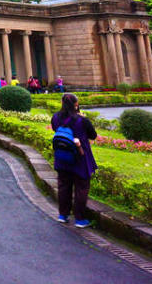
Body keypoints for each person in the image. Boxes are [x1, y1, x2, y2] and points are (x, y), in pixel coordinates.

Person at [51, 93, 98, 228]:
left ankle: (63, 215)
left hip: (62, 156)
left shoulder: (55, 117)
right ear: (76, 104)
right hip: (80, 157)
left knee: (63, 186)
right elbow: (93, 135)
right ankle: (80, 219)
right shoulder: (82, 120)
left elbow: (56, 129)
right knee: (81, 187)